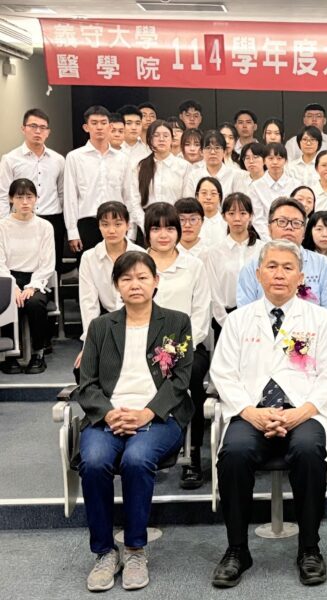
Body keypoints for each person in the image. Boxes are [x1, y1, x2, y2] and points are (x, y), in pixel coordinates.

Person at [209, 239, 327, 588]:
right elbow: (223, 373)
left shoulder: (320, 319)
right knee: (234, 453)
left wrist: (300, 412)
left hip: (304, 411)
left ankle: (309, 548)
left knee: (309, 450)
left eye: (288, 268)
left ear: (300, 277)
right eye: (272, 266)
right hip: (251, 411)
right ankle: (237, 549)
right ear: (258, 274)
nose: (279, 274)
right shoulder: (239, 320)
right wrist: (250, 412)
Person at [76, 250, 193, 592]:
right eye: (126, 279)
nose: (135, 284)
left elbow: (181, 380)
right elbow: (87, 384)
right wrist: (109, 413)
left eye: (142, 277)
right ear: (116, 285)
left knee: (137, 459)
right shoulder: (100, 327)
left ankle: (135, 549)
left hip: (159, 417)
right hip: (109, 416)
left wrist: (147, 412)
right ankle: (104, 552)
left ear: (156, 281)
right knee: (94, 461)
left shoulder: (176, 322)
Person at [144, 203, 211, 489]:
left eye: (170, 228)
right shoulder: (136, 263)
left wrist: (177, 350)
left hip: (188, 347)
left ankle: (192, 454)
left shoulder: (194, 265)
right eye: (156, 228)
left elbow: (201, 314)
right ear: (147, 232)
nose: (163, 235)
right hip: (142, 347)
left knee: (192, 375)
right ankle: (143, 447)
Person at [236, 197, 327, 318]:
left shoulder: (322, 265)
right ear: (269, 229)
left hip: (312, 329)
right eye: (282, 221)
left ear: (304, 232)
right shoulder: (251, 268)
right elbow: (245, 315)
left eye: (296, 223)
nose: (289, 227)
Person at [77, 202, 145, 370]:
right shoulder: (89, 258)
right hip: (106, 323)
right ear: (99, 226)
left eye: (118, 224)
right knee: (85, 368)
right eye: (105, 225)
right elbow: (88, 303)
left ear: (128, 225)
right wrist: (89, 343)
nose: (111, 230)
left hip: (138, 322)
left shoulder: (141, 255)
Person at [0, 109, 65, 276]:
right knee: (18, 266)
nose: (38, 131)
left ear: (48, 132)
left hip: (52, 218)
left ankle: (46, 293)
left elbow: (62, 193)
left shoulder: (58, 160)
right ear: (23, 129)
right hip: (19, 220)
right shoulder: (10, 159)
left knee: (52, 267)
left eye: (43, 127)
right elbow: (3, 194)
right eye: (33, 126)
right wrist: (4, 223)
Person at [0, 178, 55, 374]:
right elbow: (0, 262)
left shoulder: (45, 226)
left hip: (36, 278)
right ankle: (10, 354)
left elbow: (47, 263)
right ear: (11, 199)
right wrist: (12, 286)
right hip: (8, 278)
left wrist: (32, 286)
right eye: (19, 197)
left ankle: (38, 353)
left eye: (29, 197)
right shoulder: (2, 226)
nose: (24, 202)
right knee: (8, 301)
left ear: (36, 199)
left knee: (34, 303)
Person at [64, 105, 129, 253]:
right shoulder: (74, 157)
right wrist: (72, 231)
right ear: (86, 127)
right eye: (94, 123)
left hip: (117, 222)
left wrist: (129, 229)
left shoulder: (122, 158)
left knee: (119, 264)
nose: (99, 127)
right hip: (87, 222)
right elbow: (70, 197)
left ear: (110, 126)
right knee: (88, 264)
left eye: (103, 123)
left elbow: (128, 194)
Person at [205, 193, 264, 340]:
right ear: (224, 216)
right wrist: (226, 322)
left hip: (260, 318)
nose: (237, 218)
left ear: (251, 216)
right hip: (225, 319)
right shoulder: (214, 252)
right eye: (231, 213)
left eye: (243, 213)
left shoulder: (263, 249)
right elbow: (214, 293)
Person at [128, 120, 191, 237]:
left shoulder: (184, 166)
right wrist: (147, 226)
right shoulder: (139, 166)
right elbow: (134, 201)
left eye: (166, 136)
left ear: (172, 139)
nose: (161, 139)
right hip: (146, 224)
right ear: (149, 139)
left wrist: (176, 225)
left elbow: (186, 200)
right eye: (156, 135)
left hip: (174, 224)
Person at [250, 142, 300, 238]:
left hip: (291, 234)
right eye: (271, 158)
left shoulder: (296, 185)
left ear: (286, 161)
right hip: (266, 238)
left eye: (279, 158)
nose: (275, 162)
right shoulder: (255, 187)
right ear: (264, 161)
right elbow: (258, 219)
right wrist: (270, 240)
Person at [183, 130, 247, 198]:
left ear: (224, 152)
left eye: (217, 148)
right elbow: (189, 201)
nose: (213, 152)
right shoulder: (193, 176)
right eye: (208, 148)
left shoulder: (235, 176)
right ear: (201, 152)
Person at [195, 176, 227, 247]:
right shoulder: (190, 224)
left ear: (219, 198)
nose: (208, 197)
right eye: (204, 193)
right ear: (197, 196)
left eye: (213, 193)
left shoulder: (227, 224)